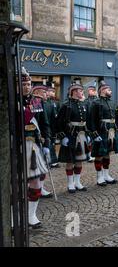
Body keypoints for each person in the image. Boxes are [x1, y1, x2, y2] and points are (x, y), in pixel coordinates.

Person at [22, 69, 51, 228]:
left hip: (35, 147)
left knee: (36, 183)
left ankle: (31, 215)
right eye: (23, 84)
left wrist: (47, 145)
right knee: (17, 184)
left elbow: (45, 125)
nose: (26, 87)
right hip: (17, 148)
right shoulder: (11, 101)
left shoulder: (36, 102)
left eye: (28, 84)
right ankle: (14, 217)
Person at [56, 81, 90, 193]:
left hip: (81, 135)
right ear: (74, 92)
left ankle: (78, 182)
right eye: (80, 90)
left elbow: (86, 121)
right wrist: (62, 137)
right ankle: (70, 184)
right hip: (70, 136)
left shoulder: (83, 104)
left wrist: (88, 134)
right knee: (70, 161)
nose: (82, 92)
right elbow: (59, 123)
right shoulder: (66, 105)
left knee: (80, 160)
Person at [89, 81, 118, 186]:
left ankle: (106, 175)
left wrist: (117, 130)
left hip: (111, 131)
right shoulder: (96, 103)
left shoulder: (112, 102)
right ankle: (99, 177)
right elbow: (91, 120)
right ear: (102, 90)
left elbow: (115, 118)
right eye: (109, 89)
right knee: (99, 155)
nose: (111, 91)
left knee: (107, 154)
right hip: (101, 131)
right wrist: (94, 134)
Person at [45, 86, 60, 169]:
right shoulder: (45, 103)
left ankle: (53, 161)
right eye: (51, 91)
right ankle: (50, 161)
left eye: (53, 92)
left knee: (52, 144)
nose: (52, 93)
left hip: (52, 126)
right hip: (47, 126)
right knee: (49, 144)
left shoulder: (55, 102)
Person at [86, 85, 98, 163]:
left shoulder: (97, 100)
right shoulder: (86, 101)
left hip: (95, 123)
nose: (90, 91)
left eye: (92, 90)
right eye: (89, 90)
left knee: (94, 140)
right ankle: (89, 155)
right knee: (88, 140)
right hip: (87, 123)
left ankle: (93, 154)